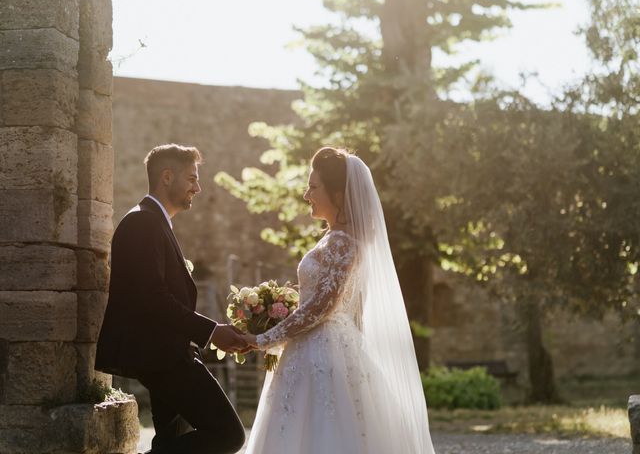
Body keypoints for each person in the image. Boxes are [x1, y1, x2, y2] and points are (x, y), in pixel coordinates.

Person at [242, 147, 436, 453]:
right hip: (315, 346)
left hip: (324, 351)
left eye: (313, 187)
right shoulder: (334, 239)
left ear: (338, 194)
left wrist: (263, 338)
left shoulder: (342, 242)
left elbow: (323, 305)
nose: (307, 195)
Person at [95, 144, 247, 454]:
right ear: (167, 177)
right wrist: (212, 331)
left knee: (169, 442)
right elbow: (153, 297)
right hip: (162, 357)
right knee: (228, 434)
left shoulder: (154, 221)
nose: (197, 187)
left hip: (167, 354)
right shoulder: (143, 223)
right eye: (191, 178)